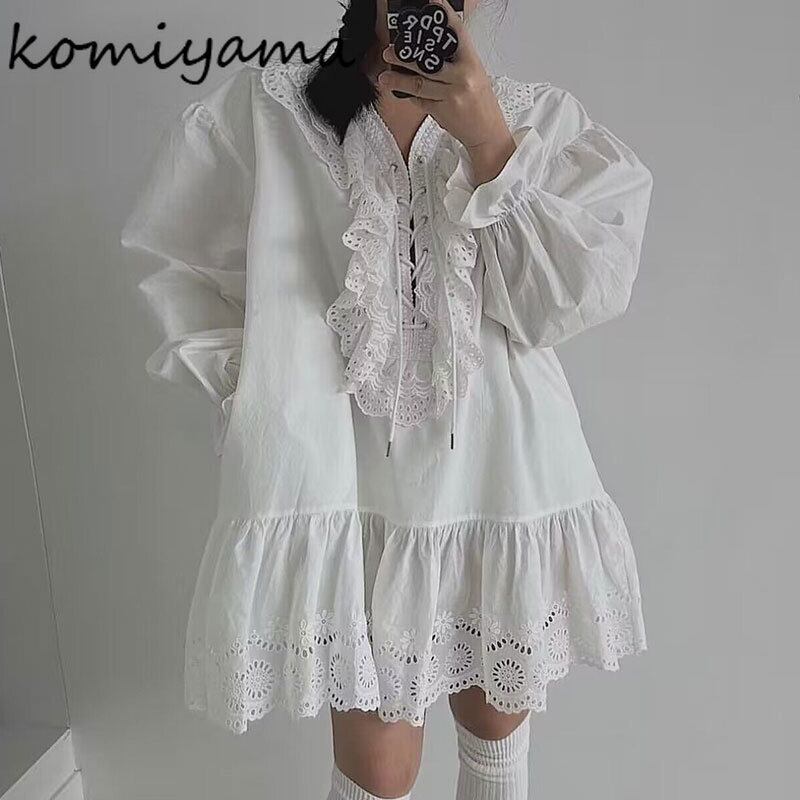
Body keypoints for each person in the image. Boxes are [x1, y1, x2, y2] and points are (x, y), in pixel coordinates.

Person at [121, 1, 653, 798]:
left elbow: (566, 301)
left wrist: (489, 142)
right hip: (347, 487)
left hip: (498, 474)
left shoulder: (536, 119)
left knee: (495, 729)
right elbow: (178, 262)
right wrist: (254, 392)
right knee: (378, 768)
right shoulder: (270, 115)